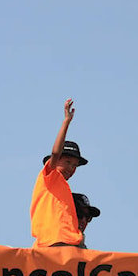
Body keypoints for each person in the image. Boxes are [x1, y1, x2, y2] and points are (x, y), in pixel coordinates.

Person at [30, 98, 87, 247]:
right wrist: (66, 122)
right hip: (54, 242)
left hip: (70, 243)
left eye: (75, 165)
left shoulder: (62, 188)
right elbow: (55, 153)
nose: (71, 168)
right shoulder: (50, 176)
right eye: (67, 162)